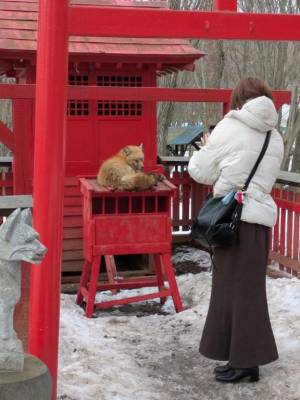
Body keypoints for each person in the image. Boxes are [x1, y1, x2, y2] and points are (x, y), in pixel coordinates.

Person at [188, 77, 283, 383]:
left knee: (234, 292)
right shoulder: (275, 136)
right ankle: (239, 358)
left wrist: (204, 149)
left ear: (239, 99)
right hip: (257, 223)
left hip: (232, 220)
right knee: (245, 291)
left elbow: (200, 172)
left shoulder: (230, 126)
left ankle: (246, 364)